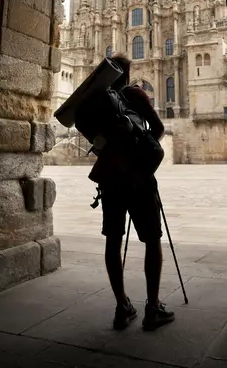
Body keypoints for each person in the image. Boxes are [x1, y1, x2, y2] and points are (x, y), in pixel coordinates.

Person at [88, 53, 175, 331]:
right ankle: (153, 307)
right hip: (139, 179)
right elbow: (158, 128)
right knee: (152, 239)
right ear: (126, 74)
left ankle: (122, 307)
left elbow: (95, 140)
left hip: (111, 180)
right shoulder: (135, 95)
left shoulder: (96, 102)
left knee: (113, 241)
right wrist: (141, 147)